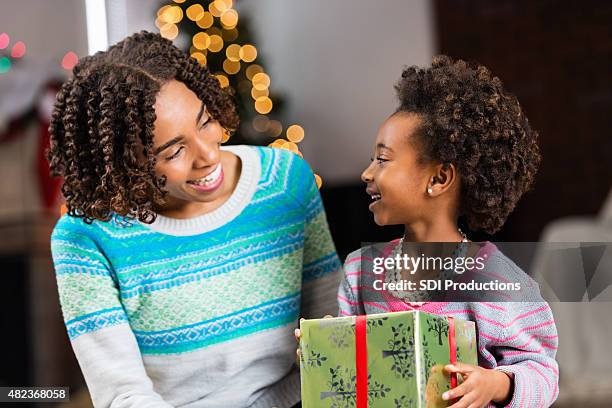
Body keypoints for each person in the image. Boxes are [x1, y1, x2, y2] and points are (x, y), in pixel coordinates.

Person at [48, 31, 340, 408]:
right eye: (174, 151)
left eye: (204, 122)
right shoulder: (85, 238)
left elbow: (332, 332)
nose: (207, 156)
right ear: (126, 164)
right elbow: (123, 394)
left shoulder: (284, 181)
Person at [298, 56, 559, 408]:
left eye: (383, 159)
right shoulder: (360, 269)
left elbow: (543, 372)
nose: (367, 173)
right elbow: (352, 375)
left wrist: (496, 384)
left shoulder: (495, 279)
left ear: (438, 179)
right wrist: (324, 349)